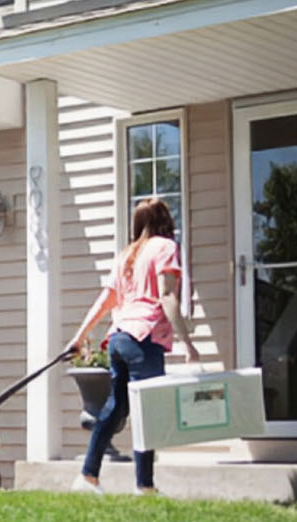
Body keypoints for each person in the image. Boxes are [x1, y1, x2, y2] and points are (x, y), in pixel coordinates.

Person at [65, 198, 200, 495]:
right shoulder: (165, 248)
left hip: (118, 338)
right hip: (144, 339)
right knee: (145, 411)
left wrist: (79, 336)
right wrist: (188, 344)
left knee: (115, 408)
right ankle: (145, 486)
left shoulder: (126, 255)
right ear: (165, 222)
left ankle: (88, 476)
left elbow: (105, 301)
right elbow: (167, 297)